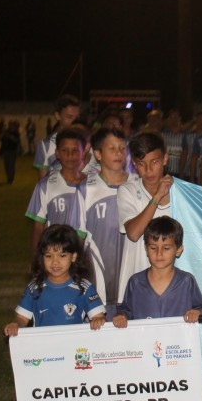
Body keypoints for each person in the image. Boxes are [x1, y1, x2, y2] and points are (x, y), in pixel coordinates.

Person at [4, 224, 106, 401]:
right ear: (42, 259)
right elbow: (22, 316)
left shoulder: (83, 287)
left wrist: (98, 320)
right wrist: (17, 325)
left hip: (74, 361)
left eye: (61, 255)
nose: (55, 262)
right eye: (49, 255)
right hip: (44, 362)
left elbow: (98, 314)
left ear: (74, 257)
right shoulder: (35, 287)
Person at [110, 216, 202, 401]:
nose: (159, 253)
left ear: (179, 249)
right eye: (153, 247)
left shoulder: (186, 281)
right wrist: (121, 318)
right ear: (145, 248)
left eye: (166, 247)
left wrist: (195, 313)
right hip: (144, 362)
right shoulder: (135, 282)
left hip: (177, 363)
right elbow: (124, 310)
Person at [71, 127, 138, 316]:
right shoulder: (86, 189)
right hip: (98, 275)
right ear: (98, 154)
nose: (119, 153)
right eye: (112, 148)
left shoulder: (138, 184)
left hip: (132, 273)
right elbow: (78, 237)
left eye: (122, 148)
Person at [116, 132, 174, 306]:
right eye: (141, 164)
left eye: (154, 162)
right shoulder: (128, 191)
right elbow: (133, 233)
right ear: (134, 163)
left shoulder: (181, 194)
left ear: (165, 159)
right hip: (136, 287)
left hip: (172, 288)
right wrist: (157, 197)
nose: (148, 170)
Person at [26, 128, 86, 250]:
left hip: (87, 255)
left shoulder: (92, 185)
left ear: (83, 152)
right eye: (64, 150)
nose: (70, 155)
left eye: (75, 150)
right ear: (57, 153)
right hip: (57, 254)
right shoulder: (45, 185)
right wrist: (36, 258)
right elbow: (38, 227)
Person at [34, 94, 81, 179]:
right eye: (69, 117)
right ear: (57, 116)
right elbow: (44, 184)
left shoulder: (88, 143)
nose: (74, 121)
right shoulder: (45, 146)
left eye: (77, 117)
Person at [0, 120, 21, 185]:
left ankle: (11, 179)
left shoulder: (15, 132)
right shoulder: (6, 132)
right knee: (6, 165)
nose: (9, 126)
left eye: (10, 124)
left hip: (12, 150)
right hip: (6, 150)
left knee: (11, 165)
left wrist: (8, 136)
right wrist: (2, 134)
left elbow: (16, 140)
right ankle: (8, 178)